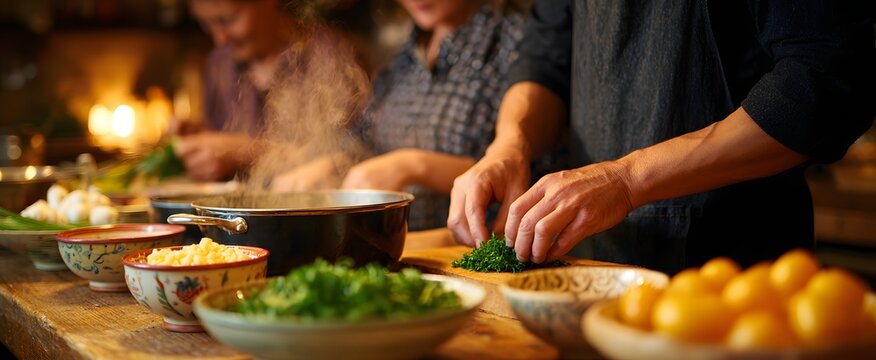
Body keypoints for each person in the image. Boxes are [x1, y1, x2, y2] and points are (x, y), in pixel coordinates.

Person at [447, 0, 875, 274]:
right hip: (585, 265)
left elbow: (822, 82)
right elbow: (545, 61)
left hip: (730, 272)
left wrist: (627, 179)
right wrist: (509, 145)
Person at [331, 0, 537, 231]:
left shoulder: (518, 40)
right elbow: (364, 138)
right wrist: (333, 165)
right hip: (412, 249)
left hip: (479, 248)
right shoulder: (407, 51)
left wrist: (412, 165)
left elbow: (528, 167)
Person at [172, 0, 297, 181]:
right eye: (207, 24)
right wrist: (200, 139)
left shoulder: (327, 58)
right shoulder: (220, 64)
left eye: (228, 19)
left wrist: (243, 151)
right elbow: (219, 135)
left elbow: (341, 158)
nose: (219, 39)